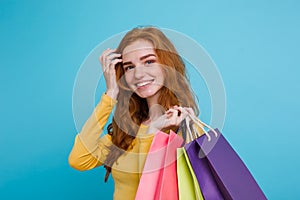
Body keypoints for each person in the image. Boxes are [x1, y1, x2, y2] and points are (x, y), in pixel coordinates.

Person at [68, 26, 201, 200]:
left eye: (149, 62)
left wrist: (154, 132)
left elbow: (152, 187)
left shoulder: (185, 126)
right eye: (129, 67)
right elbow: (79, 159)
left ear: (167, 65)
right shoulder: (126, 131)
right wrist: (110, 94)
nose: (138, 74)